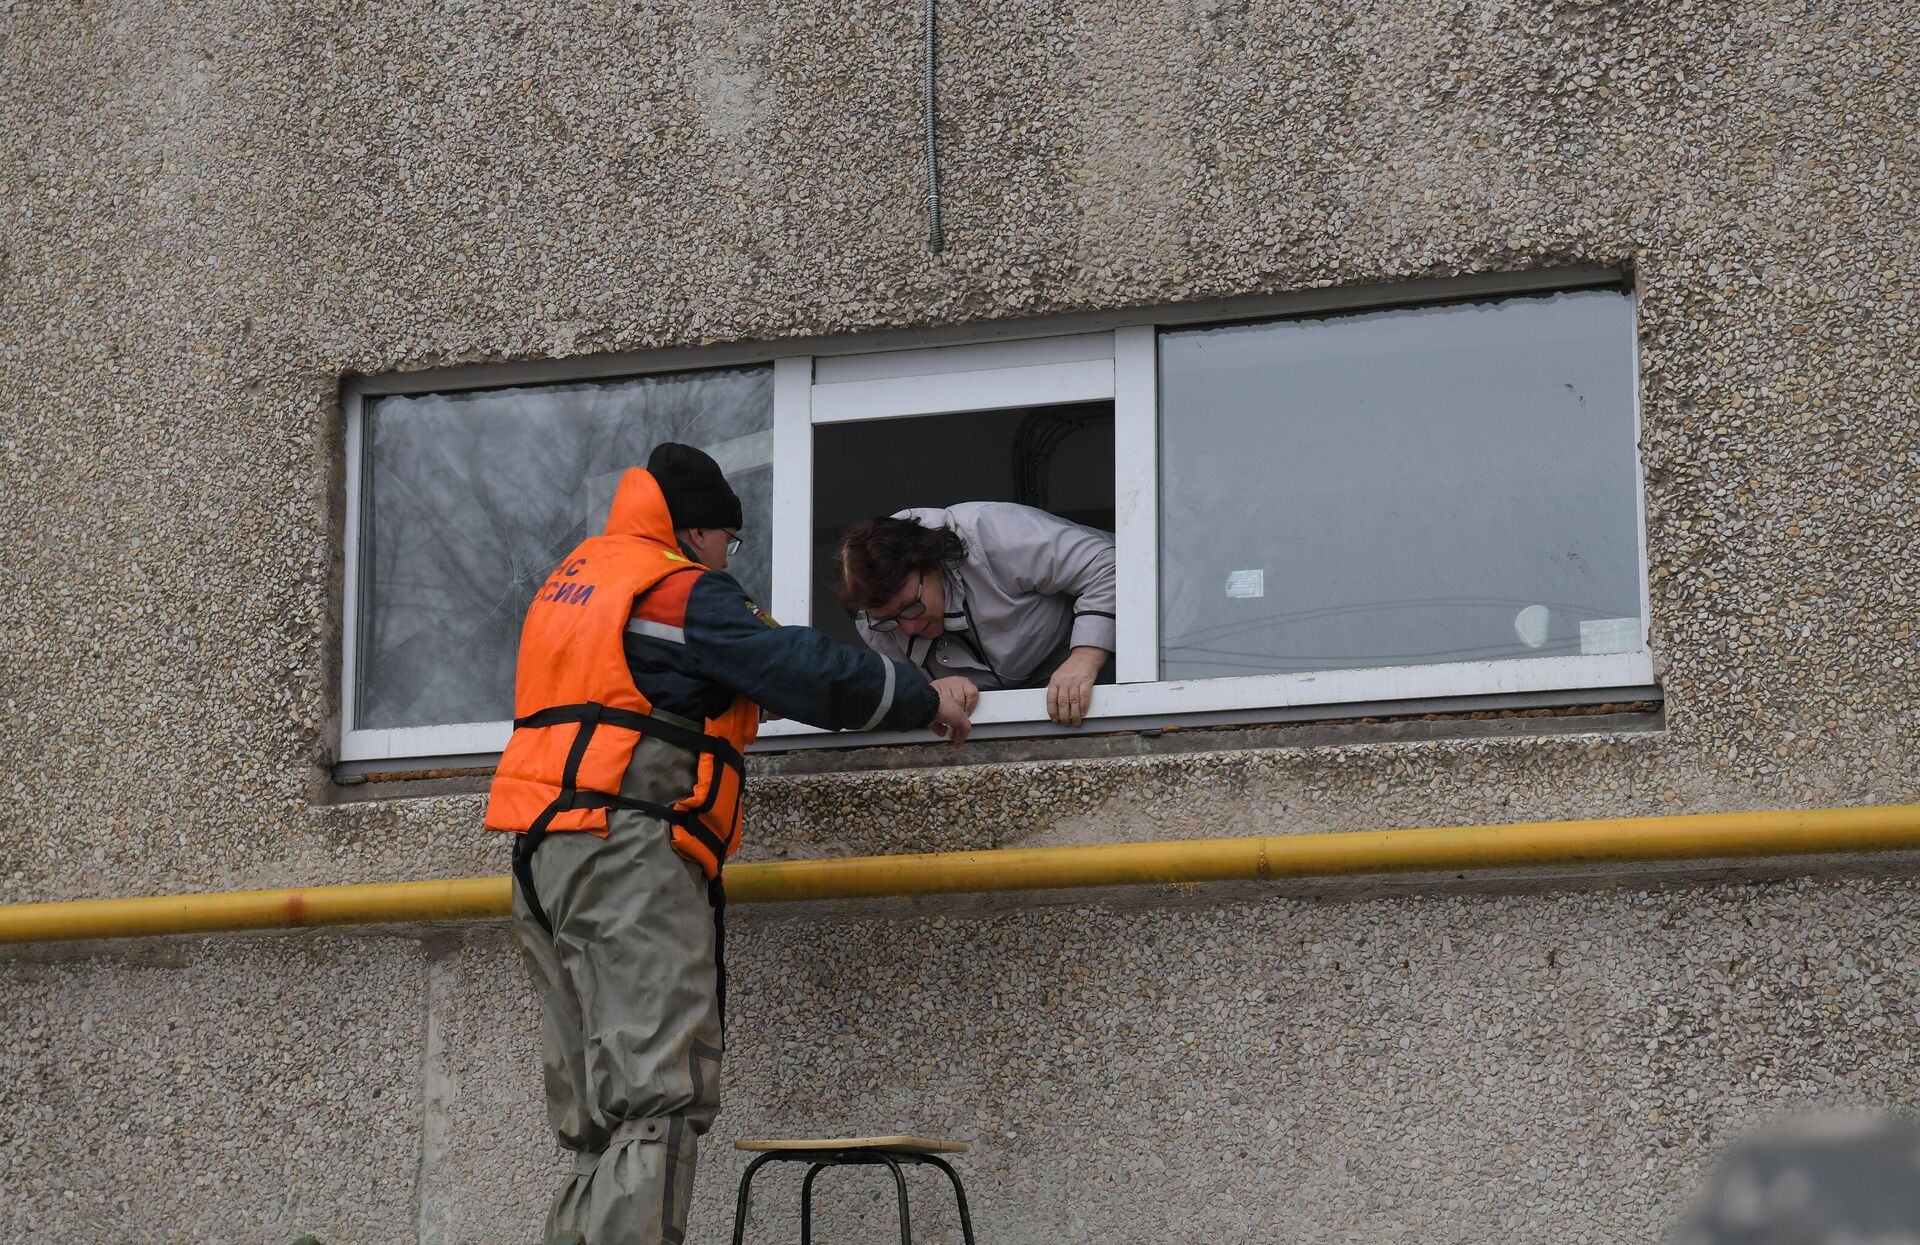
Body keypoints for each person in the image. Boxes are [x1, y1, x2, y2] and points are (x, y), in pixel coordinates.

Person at [484, 443, 972, 1245]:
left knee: (596, 1122)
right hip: (625, 853)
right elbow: (795, 667)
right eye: (730, 544)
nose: (726, 560)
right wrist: (920, 695)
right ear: (700, 532)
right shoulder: (676, 588)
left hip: (547, 857)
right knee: (657, 1101)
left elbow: (644, 701)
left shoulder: (578, 579)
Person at [835, 501, 1117, 727]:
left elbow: (1109, 566)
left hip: (1118, 658)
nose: (907, 628)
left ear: (929, 562)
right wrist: (932, 691)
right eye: (891, 622)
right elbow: (911, 695)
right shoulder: (872, 621)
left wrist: (1085, 657)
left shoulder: (989, 531)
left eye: (911, 607)